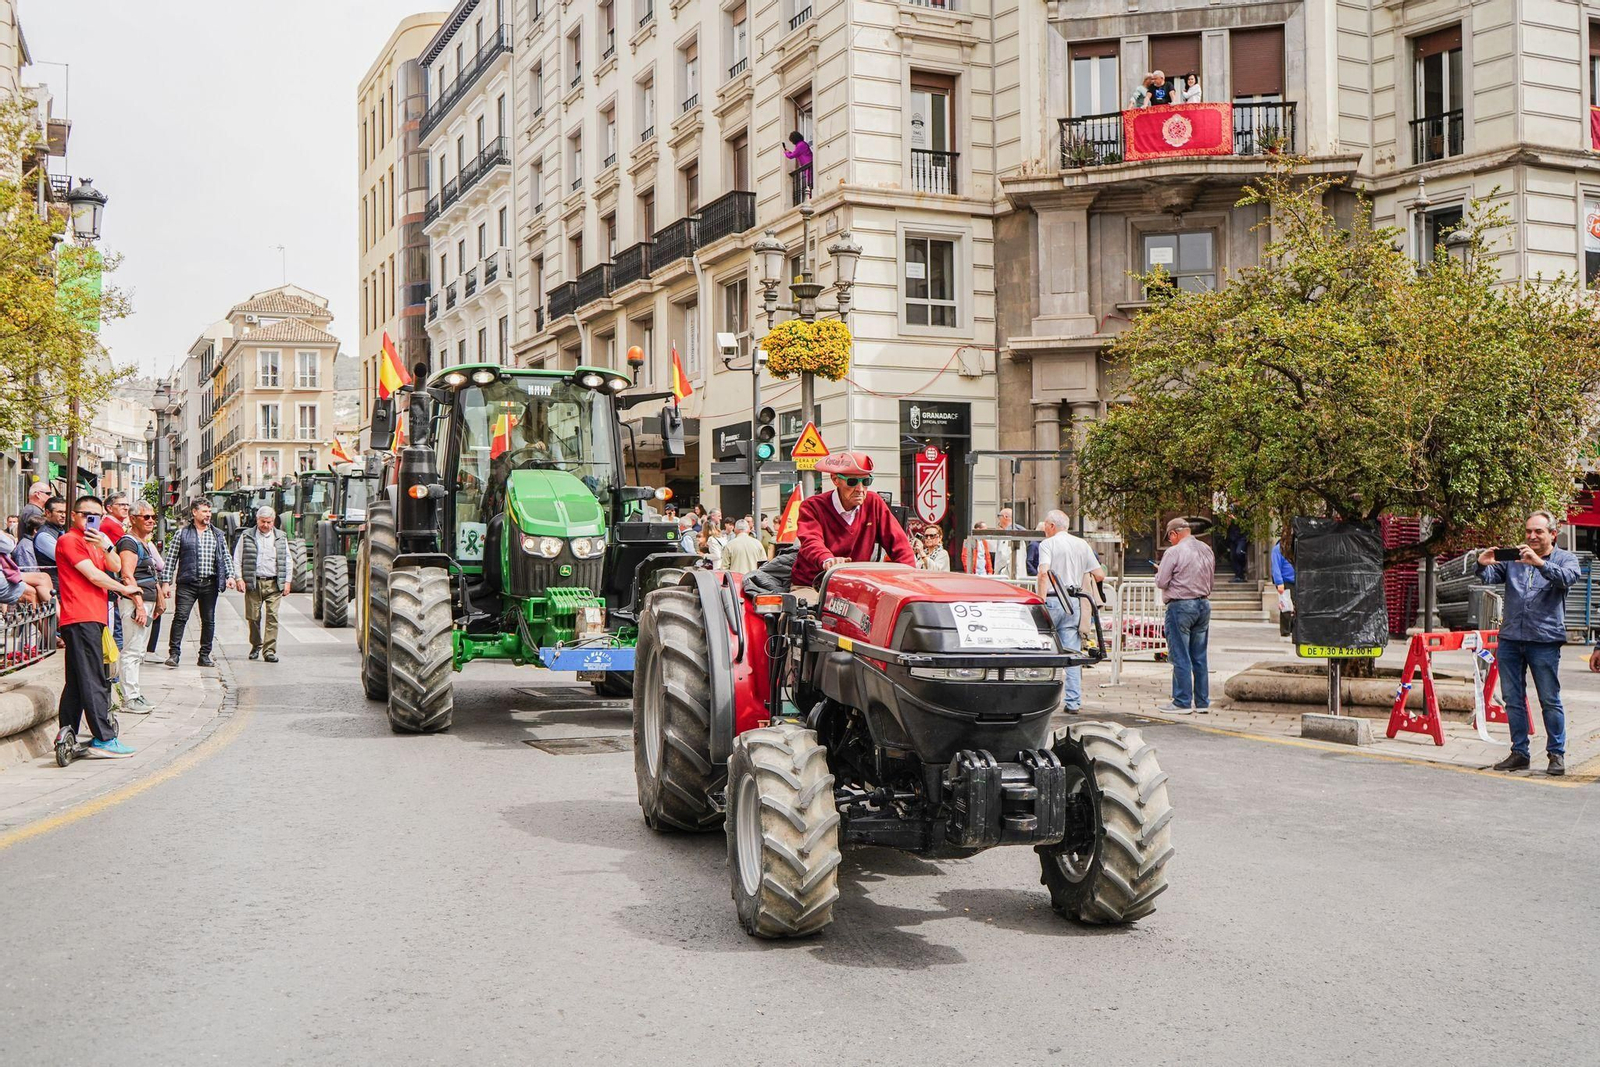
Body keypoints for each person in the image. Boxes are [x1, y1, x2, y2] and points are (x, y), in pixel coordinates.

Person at [1477, 511, 1582, 775]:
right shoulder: (1515, 558)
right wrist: (1482, 564)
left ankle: (1556, 755)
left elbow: (1568, 578)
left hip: (1544, 640)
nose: (1532, 536)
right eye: (1528, 532)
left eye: (1538, 532)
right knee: (1513, 698)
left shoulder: (1565, 559)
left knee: (1549, 699)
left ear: (1553, 534)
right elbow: (1489, 577)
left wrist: (1539, 563)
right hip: (1511, 638)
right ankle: (1519, 752)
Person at [54, 495, 142, 759]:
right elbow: (94, 575)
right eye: (85, 515)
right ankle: (103, 738)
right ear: (73, 515)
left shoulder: (93, 542)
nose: (90, 520)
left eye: (96, 516)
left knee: (78, 681)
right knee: (94, 678)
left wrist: (106, 545)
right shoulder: (69, 541)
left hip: (93, 616)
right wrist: (125, 589)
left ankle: (67, 731)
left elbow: (114, 566)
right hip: (80, 616)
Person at [793, 452, 915, 589]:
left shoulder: (874, 502)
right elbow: (811, 540)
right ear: (835, 480)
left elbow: (900, 545)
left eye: (866, 481)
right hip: (813, 584)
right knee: (806, 609)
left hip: (855, 586)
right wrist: (827, 560)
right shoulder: (813, 506)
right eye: (852, 482)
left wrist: (910, 578)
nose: (860, 489)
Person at [1037, 510, 1106, 714]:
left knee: (1043, 651)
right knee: (1072, 652)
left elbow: (1043, 573)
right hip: (1074, 601)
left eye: (1045, 527)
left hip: (1052, 599)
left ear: (1051, 526)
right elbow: (1099, 574)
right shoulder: (1081, 544)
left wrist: (1040, 601)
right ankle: (1073, 702)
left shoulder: (1047, 545)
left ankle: (1042, 701)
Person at [163, 498, 241, 668]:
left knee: (208, 620)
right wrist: (166, 582)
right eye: (204, 511)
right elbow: (171, 559)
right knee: (180, 618)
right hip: (187, 583)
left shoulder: (217, 534)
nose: (208, 514)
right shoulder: (182, 534)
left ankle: (204, 655)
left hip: (209, 584)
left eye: (209, 511)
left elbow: (225, 556)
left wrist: (230, 576)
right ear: (194, 512)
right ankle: (174, 654)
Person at [1154, 516, 1214, 713]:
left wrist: (1159, 572)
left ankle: (1182, 701)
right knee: (1199, 656)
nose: (1170, 541)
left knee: (1180, 655)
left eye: (1169, 537)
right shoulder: (1206, 549)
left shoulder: (1174, 551)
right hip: (1203, 604)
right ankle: (1203, 702)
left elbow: (1162, 582)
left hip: (1180, 606)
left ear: (1174, 534)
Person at [115, 502, 163, 711]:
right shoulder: (129, 543)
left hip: (147, 600)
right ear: (133, 519)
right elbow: (127, 575)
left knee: (139, 650)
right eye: (146, 517)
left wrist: (159, 597)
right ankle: (129, 697)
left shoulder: (142, 542)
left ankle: (135, 693)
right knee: (132, 650)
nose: (151, 520)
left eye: (153, 516)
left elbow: (152, 573)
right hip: (135, 602)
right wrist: (139, 605)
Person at [232, 505, 291, 662]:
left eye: (269, 522)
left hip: (273, 583)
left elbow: (287, 560)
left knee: (273, 616)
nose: (266, 525)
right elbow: (237, 558)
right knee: (253, 617)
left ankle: (269, 650)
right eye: (263, 521)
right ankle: (256, 644)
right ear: (257, 520)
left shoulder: (280, 537)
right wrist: (239, 578)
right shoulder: (247, 536)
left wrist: (287, 581)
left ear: (273, 522)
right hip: (254, 583)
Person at [33, 495, 67, 578]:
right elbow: (65, 558)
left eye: (66, 512)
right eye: (60, 512)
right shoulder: (44, 536)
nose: (63, 515)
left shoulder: (60, 530)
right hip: (54, 583)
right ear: (48, 513)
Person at [1270, 536, 1296, 640]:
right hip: (1285, 581)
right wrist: (1279, 582)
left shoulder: (1294, 548)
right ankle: (1285, 631)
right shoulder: (1277, 549)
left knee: (1295, 606)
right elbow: (1276, 567)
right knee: (1286, 606)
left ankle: (1293, 629)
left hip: (1295, 580)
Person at [783, 131, 813, 198]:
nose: (792, 142)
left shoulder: (800, 145)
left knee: (810, 182)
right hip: (807, 165)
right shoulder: (801, 144)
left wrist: (786, 153)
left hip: (808, 164)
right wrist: (789, 152)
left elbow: (792, 155)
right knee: (809, 181)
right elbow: (796, 153)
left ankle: (810, 196)